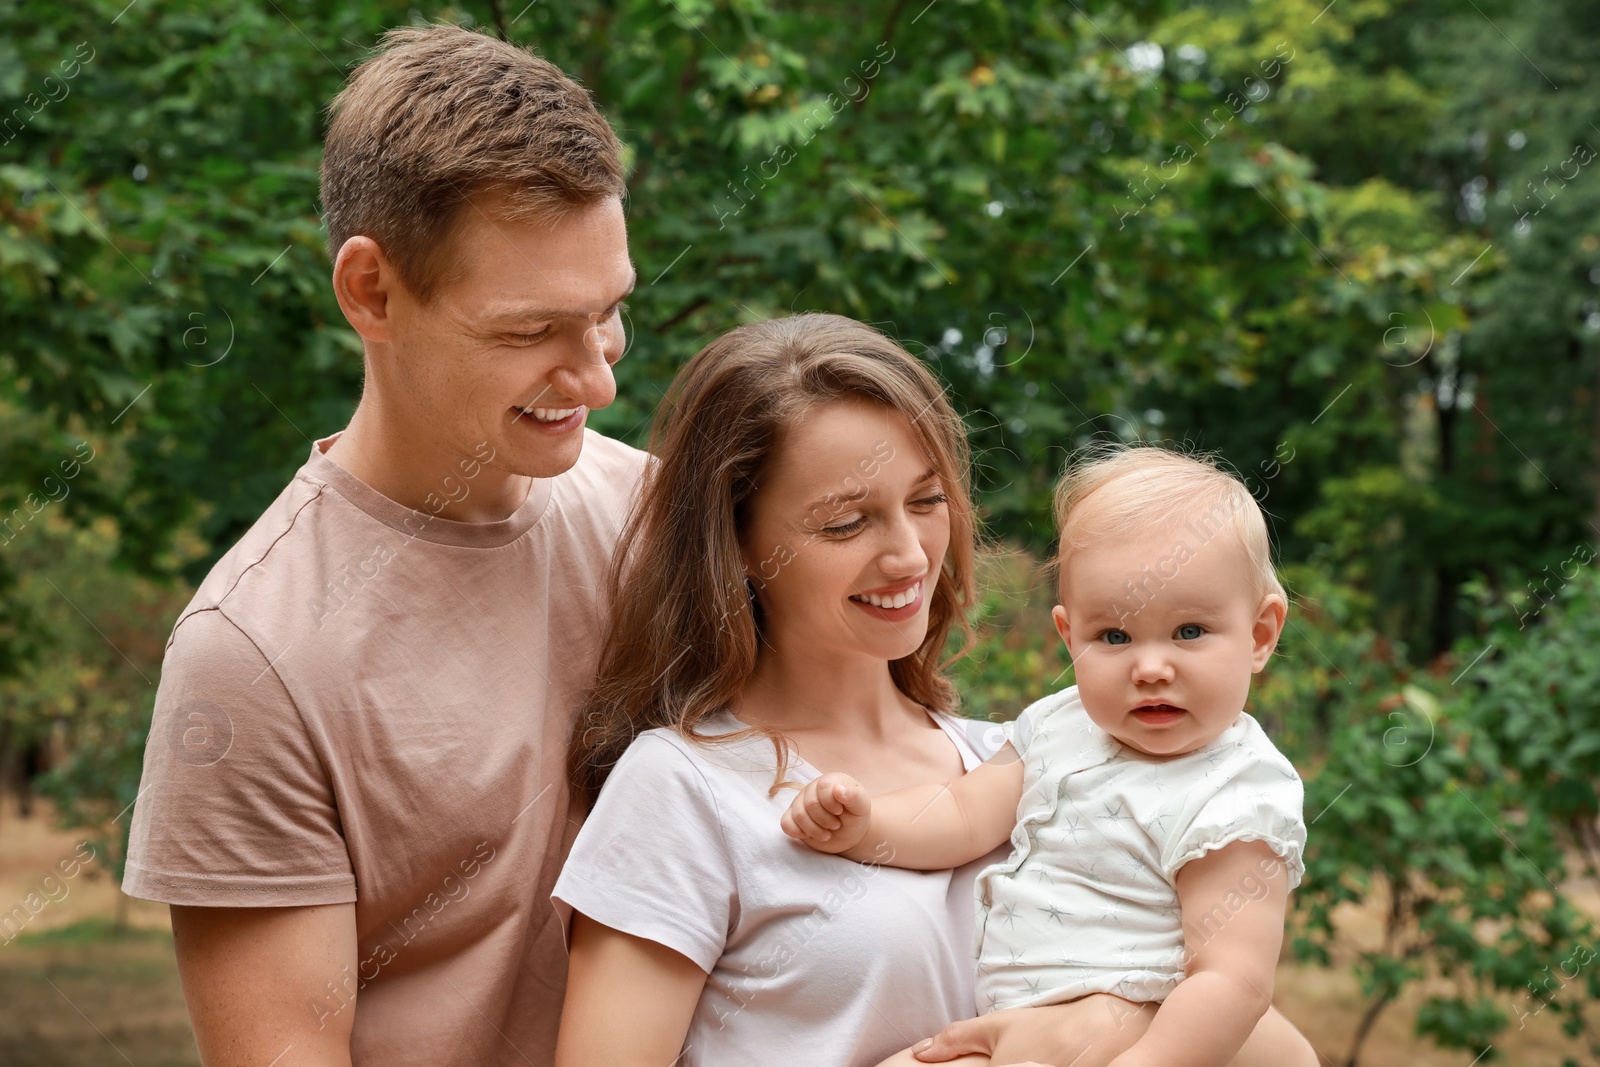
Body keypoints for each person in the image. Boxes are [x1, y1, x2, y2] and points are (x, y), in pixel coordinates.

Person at [553, 318, 1311, 1067]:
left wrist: (1105, 1025)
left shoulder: (1035, 758)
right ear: (740, 544)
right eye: (847, 522)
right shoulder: (683, 788)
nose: (910, 554)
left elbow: (1276, 1046)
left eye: (926, 500)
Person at [122, 25, 643, 1066]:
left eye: (611, 314)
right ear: (371, 292)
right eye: (528, 331)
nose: (597, 380)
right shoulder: (252, 659)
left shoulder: (654, 516)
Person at [783, 446, 1319, 1067]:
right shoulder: (1058, 725)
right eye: (1113, 637)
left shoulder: (1237, 790)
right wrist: (868, 825)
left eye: (1189, 632)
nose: (1150, 668)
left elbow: (1233, 981)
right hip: (1017, 1029)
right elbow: (960, 813)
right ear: (1070, 636)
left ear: (1260, 634)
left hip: (1132, 1038)